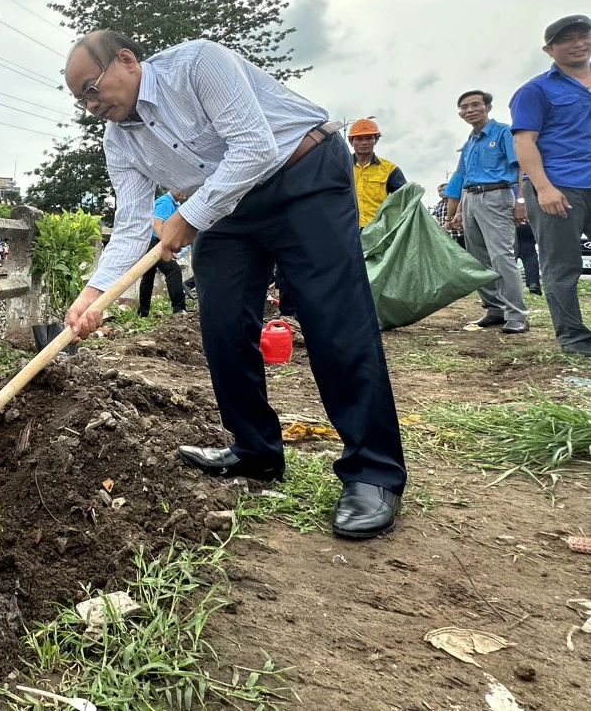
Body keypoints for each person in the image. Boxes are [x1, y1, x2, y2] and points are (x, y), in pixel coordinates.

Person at [62, 31, 406, 540]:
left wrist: (188, 218)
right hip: (224, 206)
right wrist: (94, 294)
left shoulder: (199, 64)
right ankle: (255, 450)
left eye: (92, 89)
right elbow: (133, 222)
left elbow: (254, 147)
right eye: (80, 101)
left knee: (334, 320)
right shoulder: (119, 140)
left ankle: (373, 472)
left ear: (128, 60)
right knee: (222, 327)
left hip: (300, 176)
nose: (92, 106)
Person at [510, 14, 591, 358]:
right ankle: (575, 339)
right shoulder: (536, 90)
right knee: (562, 264)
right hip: (559, 184)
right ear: (550, 49)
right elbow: (525, 142)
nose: (578, 43)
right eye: (567, 39)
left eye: (583, 35)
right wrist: (542, 188)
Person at [443, 91, 529, 333]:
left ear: (487, 107)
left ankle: (517, 314)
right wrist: (457, 211)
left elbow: (521, 164)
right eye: (464, 107)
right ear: (460, 113)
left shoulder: (503, 132)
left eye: (475, 105)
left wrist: (521, 200)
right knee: (479, 258)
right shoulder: (469, 143)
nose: (470, 110)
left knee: (502, 255)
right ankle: (495, 309)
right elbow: (462, 178)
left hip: (497, 196)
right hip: (471, 199)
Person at [138, 190, 188, 317]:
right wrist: (168, 244)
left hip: (152, 241)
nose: (184, 193)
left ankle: (143, 312)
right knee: (173, 270)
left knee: (148, 276)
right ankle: (178, 309)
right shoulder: (166, 202)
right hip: (154, 241)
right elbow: (156, 225)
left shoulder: (176, 205)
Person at [348, 119, 406, 227]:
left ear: (376, 140)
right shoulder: (342, 167)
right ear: (351, 142)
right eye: (359, 139)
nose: (364, 143)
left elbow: (404, 200)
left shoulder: (390, 169)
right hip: (347, 229)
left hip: (377, 230)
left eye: (369, 138)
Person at [431, 182, 466, 248]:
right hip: (446, 235)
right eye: (439, 191)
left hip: (459, 234)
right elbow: (438, 218)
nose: (442, 192)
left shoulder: (458, 202)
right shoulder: (439, 205)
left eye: (444, 190)